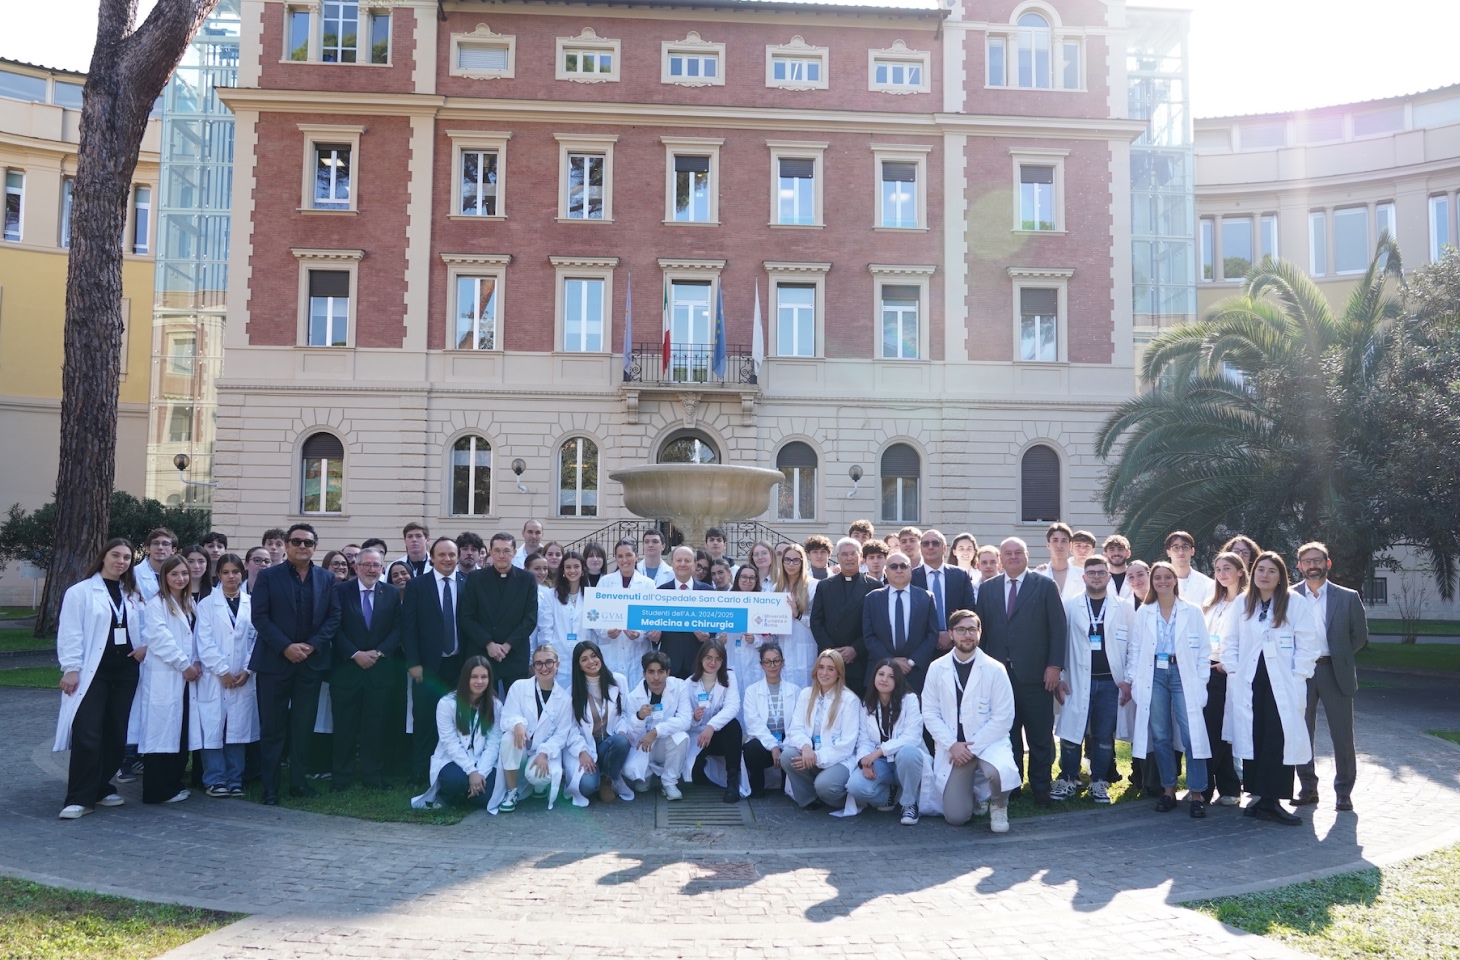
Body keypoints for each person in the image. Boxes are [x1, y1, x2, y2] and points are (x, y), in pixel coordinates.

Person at [1220, 552, 1321, 825]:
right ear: (1253, 574)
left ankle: (1272, 800)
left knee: (1278, 738)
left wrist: (1299, 674)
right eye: (1260, 569)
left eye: (1271, 571)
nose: (1265, 575)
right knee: (1254, 736)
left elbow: (1309, 643)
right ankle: (1259, 797)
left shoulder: (1294, 603)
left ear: (1280, 577)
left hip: (1283, 684)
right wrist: (1233, 668)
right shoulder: (1243, 602)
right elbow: (1229, 640)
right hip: (1249, 683)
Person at [55, 538, 147, 819]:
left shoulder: (132, 593)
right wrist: (71, 667)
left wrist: (144, 646)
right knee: (88, 733)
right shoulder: (80, 592)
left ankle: (101, 787)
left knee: (116, 735)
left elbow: (146, 625)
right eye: (115, 555)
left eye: (127, 558)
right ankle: (79, 798)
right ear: (103, 557)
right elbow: (70, 631)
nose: (121, 561)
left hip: (126, 672)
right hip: (92, 672)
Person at [972, 537, 1068, 805]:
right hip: (999, 676)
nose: (1013, 557)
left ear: (1026, 555)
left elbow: (1058, 629)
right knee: (1007, 733)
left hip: (1037, 674)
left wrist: (1055, 666)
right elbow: (983, 632)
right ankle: (1012, 785)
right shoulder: (988, 588)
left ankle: (1040, 787)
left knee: (1040, 734)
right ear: (1001, 559)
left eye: (1018, 552)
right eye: (1008, 553)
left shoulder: (1045, 585)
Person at [249, 523, 338, 805]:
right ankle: (270, 787)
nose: (302, 546)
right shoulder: (267, 577)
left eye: (308, 543)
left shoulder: (326, 578)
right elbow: (260, 617)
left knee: (303, 727)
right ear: (286, 545)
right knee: (272, 728)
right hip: (275, 662)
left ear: (315, 547)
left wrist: (311, 645)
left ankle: (298, 784)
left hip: (309, 663)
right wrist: (286, 646)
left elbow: (333, 617)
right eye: (296, 541)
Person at [1126, 561, 1211, 818]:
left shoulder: (1192, 611)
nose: (1162, 582)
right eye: (1158, 578)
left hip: (1183, 674)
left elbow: (1204, 650)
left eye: (1167, 577)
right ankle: (1168, 789)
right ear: (1152, 582)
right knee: (1161, 735)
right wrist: (1132, 679)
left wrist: (1202, 680)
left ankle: (1197, 793)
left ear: (1175, 580)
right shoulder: (1145, 611)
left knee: (1191, 734)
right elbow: (1136, 648)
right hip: (1154, 674)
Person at [920, 611, 1018, 832]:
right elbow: (930, 713)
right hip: (954, 749)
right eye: (961, 630)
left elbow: (1004, 717)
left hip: (987, 744)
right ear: (952, 634)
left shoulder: (995, 669)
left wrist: (972, 747)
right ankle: (976, 797)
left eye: (972, 629)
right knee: (956, 817)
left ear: (979, 633)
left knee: (997, 772)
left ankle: (999, 804)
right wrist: (952, 745)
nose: (967, 635)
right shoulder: (937, 668)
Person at [1051, 555, 1135, 804]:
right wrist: (1062, 676)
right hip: (1077, 680)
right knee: (1070, 732)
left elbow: (1134, 646)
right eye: (1092, 573)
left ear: (1109, 577)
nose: (1097, 577)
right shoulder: (1070, 605)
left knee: (1103, 734)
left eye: (1101, 572)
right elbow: (1060, 644)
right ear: (1084, 577)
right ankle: (1067, 778)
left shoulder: (1124, 607)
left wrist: (1128, 679)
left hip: (1111, 682)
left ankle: (1099, 781)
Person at [1291, 542, 1368, 812]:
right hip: (1302, 673)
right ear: (1299, 566)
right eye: (1307, 561)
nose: (1313, 565)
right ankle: (1308, 788)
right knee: (1301, 733)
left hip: (1335, 672)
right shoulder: (1288, 597)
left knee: (1342, 735)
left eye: (1317, 560)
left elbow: (1358, 636)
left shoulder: (1347, 597)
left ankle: (1344, 792)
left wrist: (1340, 655)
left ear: (1328, 563)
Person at [330, 547, 401, 790]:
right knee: (344, 727)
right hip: (346, 670)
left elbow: (397, 629)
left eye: (376, 565)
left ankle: (373, 776)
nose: (371, 569)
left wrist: (378, 653)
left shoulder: (391, 593)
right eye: (366, 565)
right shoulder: (339, 591)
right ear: (356, 567)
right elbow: (333, 627)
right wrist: (354, 654)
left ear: (383, 568)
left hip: (379, 671)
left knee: (375, 726)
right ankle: (341, 778)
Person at [132, 555, 200, 804]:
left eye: (184, 573)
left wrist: (196, 662)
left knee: (179, 734)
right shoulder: (156, 604)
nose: (180, 578)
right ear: (165, 577)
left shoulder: (188, 601)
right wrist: (185, 665)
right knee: (161, 735)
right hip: (167, 676)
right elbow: (160, 639)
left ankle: (172, 784)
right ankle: (156, 791)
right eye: (174, 574)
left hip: (184, 679)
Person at [192, 554, 258, 799]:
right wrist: (222, 671)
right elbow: (204, 642)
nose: (232, 576)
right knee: (212, 728)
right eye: (226, 572)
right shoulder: (207, 605)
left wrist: (248, 669)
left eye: (236, 572)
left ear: (242, 574)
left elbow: (257, 639)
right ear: (218, 575)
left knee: (237, 730)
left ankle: (235, 779)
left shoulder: (252, 603)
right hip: (214, 677)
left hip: (243, 676)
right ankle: (215, 779)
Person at [401, 537, 466, 781]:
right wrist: (413, 663)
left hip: (458, 665)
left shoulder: (466, 584)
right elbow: (409, 627)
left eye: (452, 554)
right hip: (426, 666)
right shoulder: (417, 585)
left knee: (455, 722)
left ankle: (450, 772)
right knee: (425, 721)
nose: (448, 559)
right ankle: (420, 774)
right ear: (432, 557)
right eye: (442, 555)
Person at [413, 656, 500, 810]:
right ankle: (447, 795)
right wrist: (471, 771)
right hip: (453, 760)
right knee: (456, 780)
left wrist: (481, 774)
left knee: (488, 796)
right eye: (474, 677)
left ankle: (466, 795)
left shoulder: (496, 706)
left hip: (482, 761)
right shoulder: (447, 703)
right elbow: (450, 743)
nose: (479, 681)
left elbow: (493, 744)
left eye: (484, 677)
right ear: (465, 678)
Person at [848, 659, 927, 824]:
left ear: (898, 680)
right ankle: (889, 796)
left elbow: (912, 737)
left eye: (891, 676)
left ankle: (909, 804)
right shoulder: (866, 704)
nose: (884, 679)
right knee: (855, 787)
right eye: (881, 674)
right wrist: (864, 761)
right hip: (881, 763)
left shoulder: (910, 699)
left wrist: (878, 752)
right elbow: (864, 739)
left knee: (908, 753)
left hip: (904, 762)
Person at [495, 643, 573, 811]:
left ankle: (538, 787)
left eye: (549, 662)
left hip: (541, 750)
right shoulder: (519, 687)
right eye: (538, 663)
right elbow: (507, 716)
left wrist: (545, 752)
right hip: (520, 747)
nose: (544, 668)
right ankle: (512, 791)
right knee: (508, 738)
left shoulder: (565, 699)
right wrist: (517, 724)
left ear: (557, 664)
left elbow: (561, 735)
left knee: (537, 776)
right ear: (533, 666)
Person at [781, 650, 862, 810]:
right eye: (821, 667)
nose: (824, 673)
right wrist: (805, 747)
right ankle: (809, 799)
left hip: (838, 759)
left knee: (824, 786)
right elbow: (795, 729)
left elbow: (847, 745)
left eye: (831, 669)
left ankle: (834, 799)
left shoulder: (849, 700)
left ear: (839, 673)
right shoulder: (806, 694)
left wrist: (816, 757)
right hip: (811, 753)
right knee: (787, 756)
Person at [460, 532, 538, 691]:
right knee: (484, 710)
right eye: (497, 550)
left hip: (514, 652)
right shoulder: (476, 578)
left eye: (507, 551)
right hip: (482, 651)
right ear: (490, 552)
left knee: (517, 706)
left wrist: (508, 645)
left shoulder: (527, 579)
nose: (501, 555)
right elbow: (467, 617)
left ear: (514, 553)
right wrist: (488, 644)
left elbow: (530, 619)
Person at [1201, 550, 1249, 806]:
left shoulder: (1247, 602)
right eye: (1218, 569)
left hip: (1230, 672)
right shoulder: (1212, 603)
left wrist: (1227, 665)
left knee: (1224, 732)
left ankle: (1227, 787)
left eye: (1227, 568)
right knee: (1211, 731)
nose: (1222, 574)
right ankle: (1213, 785)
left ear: (1240, 571)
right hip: (1208, 670)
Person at [563, 640, 634, 805]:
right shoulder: (572, 692)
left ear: (600, 657)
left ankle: (608, 779)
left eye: (593, 656)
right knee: (586, 787)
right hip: (588, 744)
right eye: (584, 659)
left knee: (621, 741)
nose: (591, 662)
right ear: (579, 665)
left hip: (610, 742)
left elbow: (625, 713)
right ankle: (598, 774)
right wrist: (582, 752)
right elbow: (571, 728)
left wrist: (622, 731)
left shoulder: (618, 681)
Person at [863, 551, 939, 693]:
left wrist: (911, 662)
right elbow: (869, 636)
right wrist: (891, 661)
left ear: (910, 570)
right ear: (886, 571)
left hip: (916, 672)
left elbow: (932, 634)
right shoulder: (872, 599)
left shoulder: (926, 598)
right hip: (881, 672)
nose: (899, 570)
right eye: (893, 567)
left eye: (903, 566)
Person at [810, 537, 878, 694]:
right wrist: (832, 651)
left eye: (853, 554)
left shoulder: (874, 586)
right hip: (830, 661)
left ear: (860, 556)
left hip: (859, 660)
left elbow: (876, 625)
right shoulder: (825, 586)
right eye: (844, 554)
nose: (849, 558)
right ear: (838, 557)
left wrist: (855, 649)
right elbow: (816, 621)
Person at [622, 650, 692, 799]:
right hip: (644, 746)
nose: (656, 678)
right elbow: (631, 734)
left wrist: (656, 731)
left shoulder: (679, 686)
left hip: (666, 744)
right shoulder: (633, 697)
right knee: (629, 769)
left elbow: (686, 719)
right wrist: (639, 717)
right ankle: (645, 774)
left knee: (681, 737)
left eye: (660, 672)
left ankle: (669, 782)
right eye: (651, 672)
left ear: (668, 672)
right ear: (644, 673)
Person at [681, 640, 744, 802]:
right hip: (698, 737)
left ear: (723, 661)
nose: (713, 662)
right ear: (701, 658)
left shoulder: (729, 677)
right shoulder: (688, 683)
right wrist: (694, 718)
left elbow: (733, 707)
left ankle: (733, 781)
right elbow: (683, 715)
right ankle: (700, 765)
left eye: (718, 659)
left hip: (720, 736)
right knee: (695, 778)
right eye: (709, 657)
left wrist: (711, 726)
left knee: (733, 726)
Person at [741, 640, 799, 799]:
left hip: (788, 739)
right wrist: (773, 746)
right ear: (761, 665)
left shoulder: (795, 691)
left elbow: (797, 724)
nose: (772, 665)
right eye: (767, 662)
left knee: (794, 748)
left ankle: (787, 786)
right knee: (752, 749)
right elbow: (754, 725)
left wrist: (784, 745)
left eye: (776, 661)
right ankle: (757, 786)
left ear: (783, 662)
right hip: (764, 742)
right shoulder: (752, 691)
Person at [595, 539, 656, 685]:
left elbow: (651, 617)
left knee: (637, 695)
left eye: (628, 555)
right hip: (612, 650)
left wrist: (640, 633)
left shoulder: (648, 584)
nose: (624, 560)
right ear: (616, 558)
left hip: (638, 650)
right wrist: (605, 631)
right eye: (620, 556)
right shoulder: (605, 583)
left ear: (636, 556)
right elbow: (594, 616)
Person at [650, 545, 713, 678]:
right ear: (672, 564)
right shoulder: (661, 592)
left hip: (699, 662)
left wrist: (708, 636)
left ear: (695, 564)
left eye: (687, 560)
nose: (682, 564)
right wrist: (655, 637)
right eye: (678, 560)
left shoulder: (708, 592)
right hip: (669, 663)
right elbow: (654, 626)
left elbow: (715, 624)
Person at [912, 529, 978, 652]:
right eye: (925, 544)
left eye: (935, 543)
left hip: (956, 643)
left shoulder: (960, 575)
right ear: (921, 549)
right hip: (923, 646)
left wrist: (951, 633)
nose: (930, 547)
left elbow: (968, 608)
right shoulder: (912, 577)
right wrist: (934, 636)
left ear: (944, 548)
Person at [773, 543, 818, 688]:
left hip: (805, 643)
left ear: (802, 562)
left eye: (796, 560)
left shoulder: (813, 586)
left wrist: (797, 614)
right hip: (783, 645)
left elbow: (818, 621)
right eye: (787, 560)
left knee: (805, 688)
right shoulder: (776, 588)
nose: (791, 564)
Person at [1034, 522, 1085, 601]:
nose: (1059, 545)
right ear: (1048, 545)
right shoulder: (1037, 576)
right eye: (1055, 540)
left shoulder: (1083, 575)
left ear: (1070, 545)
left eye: (1064, 541)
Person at [1166, 531, 1216, 606]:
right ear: (1168, 552)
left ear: (1192, 551)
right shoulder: (1158, 583)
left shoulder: (1208, 585)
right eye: (1176, 548)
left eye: (1185, 547)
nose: (1181, 552)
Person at [134, 527, 176, 601]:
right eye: (156, 543)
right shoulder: (134, 574)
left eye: (165, 544)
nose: (160, 547)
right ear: (148, 548)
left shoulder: (179, 575)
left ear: (173, 550)